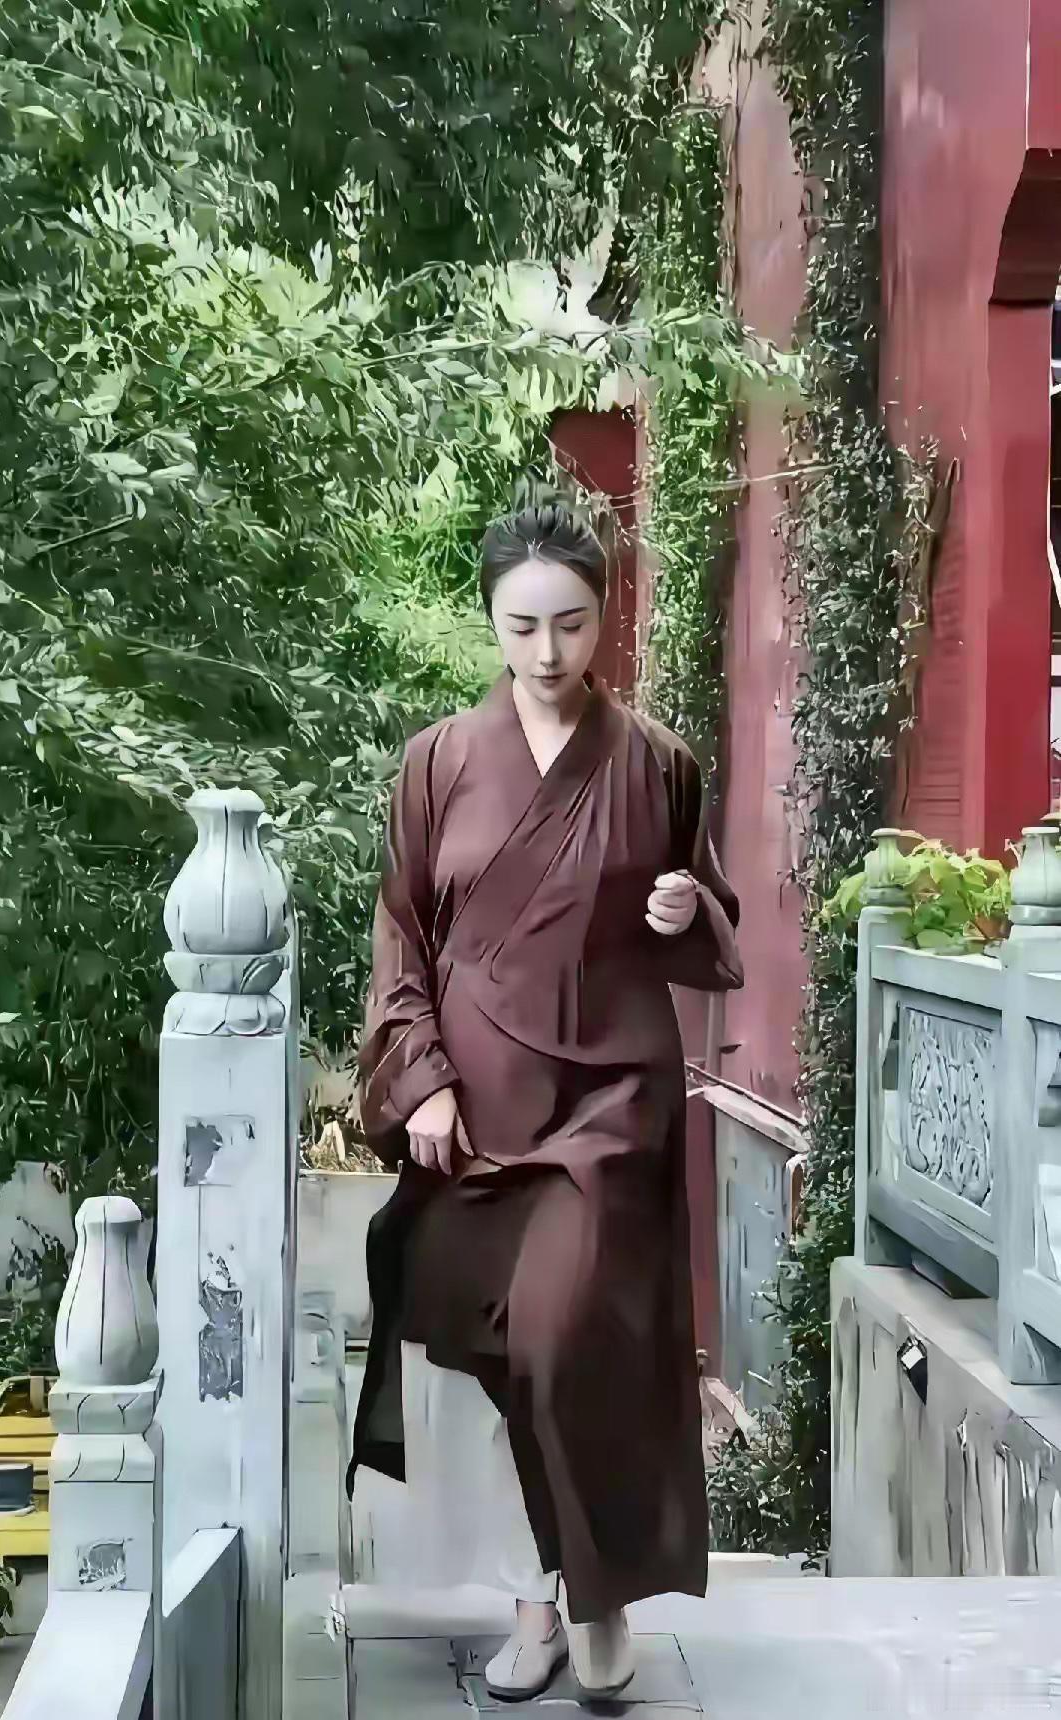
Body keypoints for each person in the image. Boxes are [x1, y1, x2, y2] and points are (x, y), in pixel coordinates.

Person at [348, 501, 743, 1703]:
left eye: (570, 622)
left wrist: (683, 910)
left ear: (603, 611)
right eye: (522, 625)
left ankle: (597, 1593)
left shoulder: (657, 762)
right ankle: (537, 1601)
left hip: (607, 1108)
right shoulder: (436, 761)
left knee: (567, 1336)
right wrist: (418, 1078)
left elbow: (709, 920)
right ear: (490, 619)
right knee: (498, 1354)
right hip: (474, 1113)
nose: (548, 650)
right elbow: (402, 937)